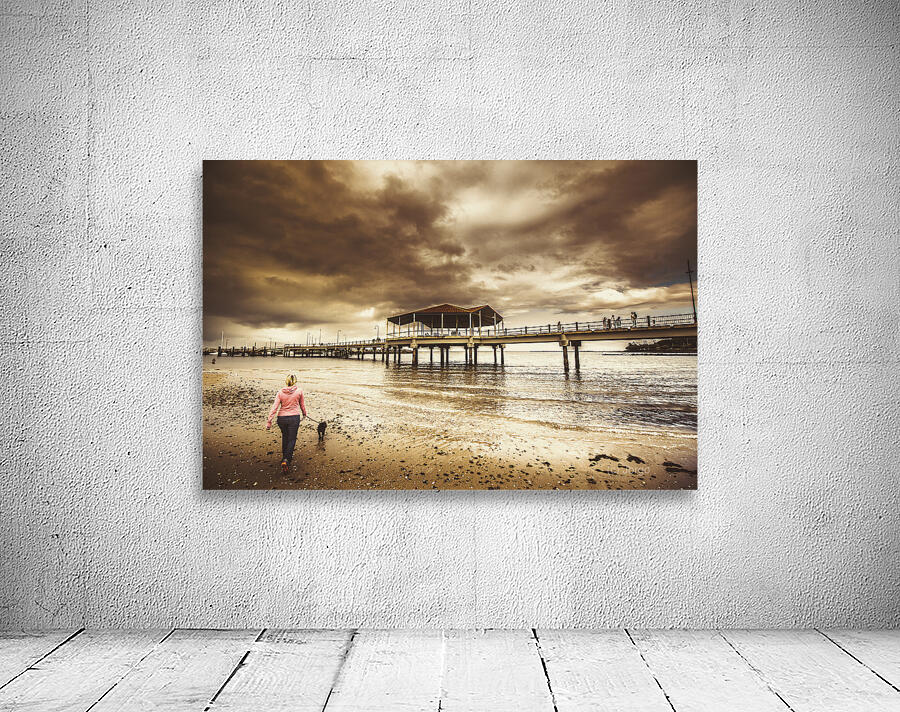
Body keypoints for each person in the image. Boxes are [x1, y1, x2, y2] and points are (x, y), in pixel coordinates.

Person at [266, 374, 308, 473]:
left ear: (286, 381)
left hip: (282, 419)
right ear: (295, 381)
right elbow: (302, 404)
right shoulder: (299, 391)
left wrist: (269, 421)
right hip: (294, 418)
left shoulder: (280, 392)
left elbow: (275, 407)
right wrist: (304, 414)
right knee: (292, 439)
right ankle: (286, 459)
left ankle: (284, 457)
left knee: (285, 437)